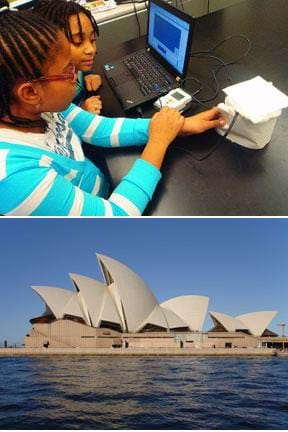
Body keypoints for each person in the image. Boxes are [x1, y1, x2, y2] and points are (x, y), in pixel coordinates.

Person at [0, 1, 224, 216]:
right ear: (29, 92)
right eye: (68, 70)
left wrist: (179, 125)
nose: (75, 77)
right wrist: (158, 142)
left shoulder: (38, 108)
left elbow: (99, 129)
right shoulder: (15, 178)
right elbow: (117, 215)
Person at [33, 0, 103, 115]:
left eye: (92, 39)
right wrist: (83, 112)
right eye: (78, 42)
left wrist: (88, 76)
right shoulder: (50, 93)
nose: (91, 50)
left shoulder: (78, 67)